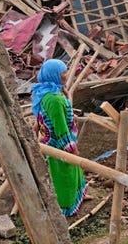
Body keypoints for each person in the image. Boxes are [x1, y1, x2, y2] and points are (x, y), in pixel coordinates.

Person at [32, 59, 87, 217]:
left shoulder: (47, 91)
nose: (66, 75)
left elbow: (51, 116)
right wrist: (72, 149)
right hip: (58, 145)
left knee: (74, 170)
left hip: (54, 140)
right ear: (54, 75)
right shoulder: (54, 100)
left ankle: (79, 197)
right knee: (65, 176)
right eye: (63, 73)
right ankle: (67, 207)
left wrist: (71, 115)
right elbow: (61, 129)